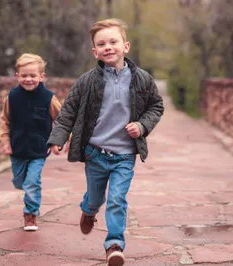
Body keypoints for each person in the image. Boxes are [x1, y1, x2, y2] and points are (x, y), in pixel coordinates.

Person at [47, 18, 164, 265]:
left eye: (113, 41)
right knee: (96, 198)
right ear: (94, 51)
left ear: (126, 46)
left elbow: (156, 106)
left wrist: (143, 126)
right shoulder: (86, 81)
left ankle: (114, 245)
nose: (108, 47)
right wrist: (58, 137)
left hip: (124, 155)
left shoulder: (142, 79)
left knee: (117, 199)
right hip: (95, 152)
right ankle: (88, 210)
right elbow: (68, 110)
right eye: (102, 44)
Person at [0, 53, 62, 231]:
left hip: (39, 150)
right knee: (20, 182)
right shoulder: (12, 98)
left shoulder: (48, 98)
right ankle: (29, 194)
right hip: (17, 149)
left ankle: (31, 214)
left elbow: (62, 120)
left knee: (32, 182)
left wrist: (57, 141)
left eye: (33, 75)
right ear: (17, 76)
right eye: (24, 75)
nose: (29, 79)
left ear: (42, 77)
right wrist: (6, 142)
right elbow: (5, 121)